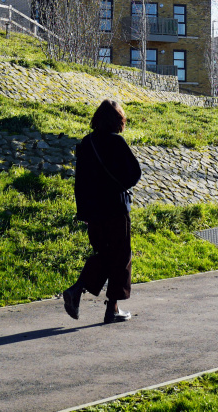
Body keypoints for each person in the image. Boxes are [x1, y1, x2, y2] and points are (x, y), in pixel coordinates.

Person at [61, 98, 141, 324]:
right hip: (115, 209)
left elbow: (81, 182)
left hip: (94, 212)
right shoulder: (117, 142)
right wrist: (119, 185)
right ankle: (106, 305)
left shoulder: (87, 143)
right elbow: (134, 174)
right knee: (121, 257)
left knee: (106, 255)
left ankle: (82, 292)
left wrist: (84, 212)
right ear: (118, 120)